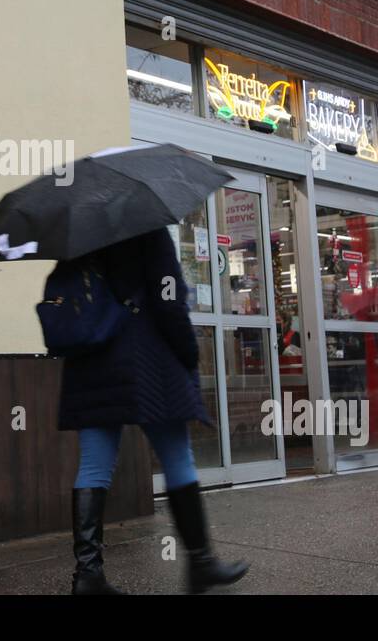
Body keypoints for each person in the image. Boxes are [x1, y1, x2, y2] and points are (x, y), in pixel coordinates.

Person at [57, 226, 250, 595]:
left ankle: (88, 576)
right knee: (177, 457)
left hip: (90, 363)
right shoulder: (147, 227)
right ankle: (201, 562)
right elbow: (168, 298)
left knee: (94, 465)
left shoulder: (78, 236)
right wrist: (188, 353)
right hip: (146, 361)